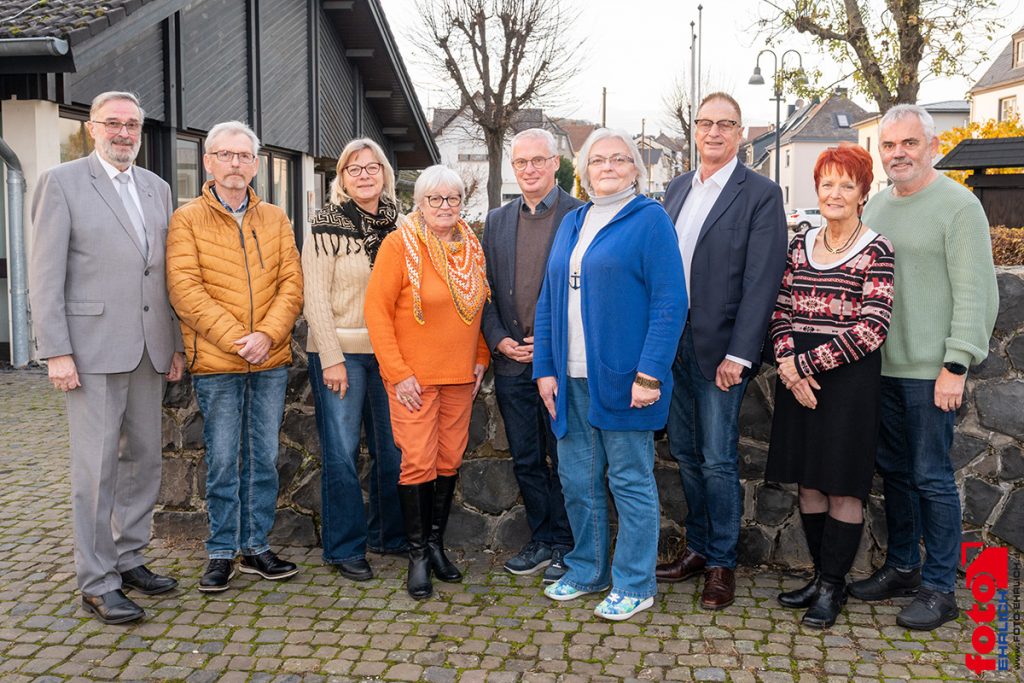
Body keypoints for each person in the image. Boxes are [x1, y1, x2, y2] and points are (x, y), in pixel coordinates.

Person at [28, 91, 185, 624]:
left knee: (145, 460)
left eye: (133, 125)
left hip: (149, 348)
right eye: (113, 124)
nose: (124, 133)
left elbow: (162, 274)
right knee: (95, 472)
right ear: (92, 128)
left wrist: (177, 345)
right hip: (90, 352)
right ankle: (96, 582)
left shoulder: (157, 188)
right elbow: (44, 275)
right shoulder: (62, 182)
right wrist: (56, 352)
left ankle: (128, 557)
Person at [847, 105, 998, 631]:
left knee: (932, 475)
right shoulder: (879, 207)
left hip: (932, 370)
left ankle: (940, 588)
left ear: (931, 146)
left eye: (909, 143)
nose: (898, 154)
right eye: (889, 146)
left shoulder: (959, 205)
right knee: (895, 473)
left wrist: (956, 364)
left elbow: (977, 290)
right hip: (880, 368)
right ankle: (904, 567)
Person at [533, 128, 686, 621]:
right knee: (578, 478)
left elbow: (670, 302)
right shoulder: (573, 222)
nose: (608, 167)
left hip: (622, 378)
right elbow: (548, 298)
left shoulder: (651, 221)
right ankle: (587, 568)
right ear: (582, 171)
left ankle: (635, 583)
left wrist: (650, 374)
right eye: (597, 160)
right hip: (570, 376)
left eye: (619, 159)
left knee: (628, 480)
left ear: (636, 169)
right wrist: (545, 368)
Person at [655, 92, 788, 610]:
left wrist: (741, 353)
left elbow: (762, 280)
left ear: (740, 133)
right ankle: (699, 548)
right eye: (705, 123)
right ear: (694, 129)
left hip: (720, 350)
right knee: (686, 452)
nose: (713, 132)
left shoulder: (759, 193)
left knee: (717, 460)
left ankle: (722, 565)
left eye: (725, 124)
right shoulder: (676, 187)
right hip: (673, 344)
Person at [166, 121, 303, 593]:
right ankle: (221, 551)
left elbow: (292, 283)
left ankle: (256, 547)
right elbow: (185, 290)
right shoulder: (187, 219)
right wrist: (237, 338)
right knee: (223, 460)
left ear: (256, 165)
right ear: (208, 162)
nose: (235, 164)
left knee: (263, 458)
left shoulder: (277, 218)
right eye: (225, 155)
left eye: (244, 157)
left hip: (269, 361)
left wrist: (266, 334)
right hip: (219, 364)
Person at [765, 143, 895, 629]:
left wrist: (803, 366)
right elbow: (779, 310)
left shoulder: (877, 249)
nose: (835, 192)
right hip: (799, 378)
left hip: (848, 385)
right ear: (816, 190)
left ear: (863, 192)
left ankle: (835, 587)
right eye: (827, 184)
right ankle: (820, 576)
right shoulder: (800, 243)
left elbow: (872, 328)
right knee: (809, 483)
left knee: (844, 488)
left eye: (847, 184)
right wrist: (787, 362)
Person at [364, 165, 490, 600]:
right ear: (418, 203)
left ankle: (435, 545)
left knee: (449, 460)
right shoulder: (399, 245)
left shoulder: (472, 246)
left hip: (459, 375)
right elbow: (376, 313)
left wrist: (480, 356)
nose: (444, 206)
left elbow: (476, 308)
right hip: (413, 379)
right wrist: (398, 373)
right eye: (434, 199)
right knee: (417, 461)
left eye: (452, 199)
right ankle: (416, 556)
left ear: (461, 203)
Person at [303, 139, 406, 582]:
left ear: (385, 173)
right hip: (341, 353)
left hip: (390, 356)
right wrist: (330, 357)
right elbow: (315, 299)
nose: (364, 175)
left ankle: (389, 534)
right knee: (342, 453)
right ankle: (344, 547)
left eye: (372, 167)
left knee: (393, 449)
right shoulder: (325, 226)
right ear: (341, 178)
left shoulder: (403, 225)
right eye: (353, 169)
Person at [481, 128, 582, 582]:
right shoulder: (497, 221)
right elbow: (482, 293)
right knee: (525, 456)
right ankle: (543, 538)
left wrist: (552, 343)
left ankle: (569, 544)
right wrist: (499, 337)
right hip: (510, 361)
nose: (529, 170)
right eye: (521, 163)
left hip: (559, 361)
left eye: (538, 161)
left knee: (566, 456)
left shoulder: (580, 216)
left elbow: (588, 296)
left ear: (556, 162)